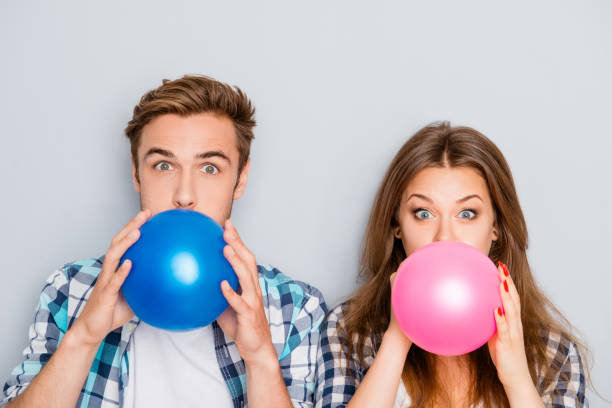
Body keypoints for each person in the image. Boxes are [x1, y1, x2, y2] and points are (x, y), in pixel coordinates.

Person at [2, 75, 327, 408]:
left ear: (241, 178)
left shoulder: (293, 308)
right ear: (136, 172)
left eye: (210, 168)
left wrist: (259, 357)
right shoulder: (69, 289)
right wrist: (84, 337)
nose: (184, 195)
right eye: (163, 165)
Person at [314, 122, 589, 407]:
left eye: (467, 213)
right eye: (423, 213)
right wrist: (396, 340)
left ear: (495, 227)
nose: (444, 237)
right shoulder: (349, 331)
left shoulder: (553, 351)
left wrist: (517, 377)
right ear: (397, 225)